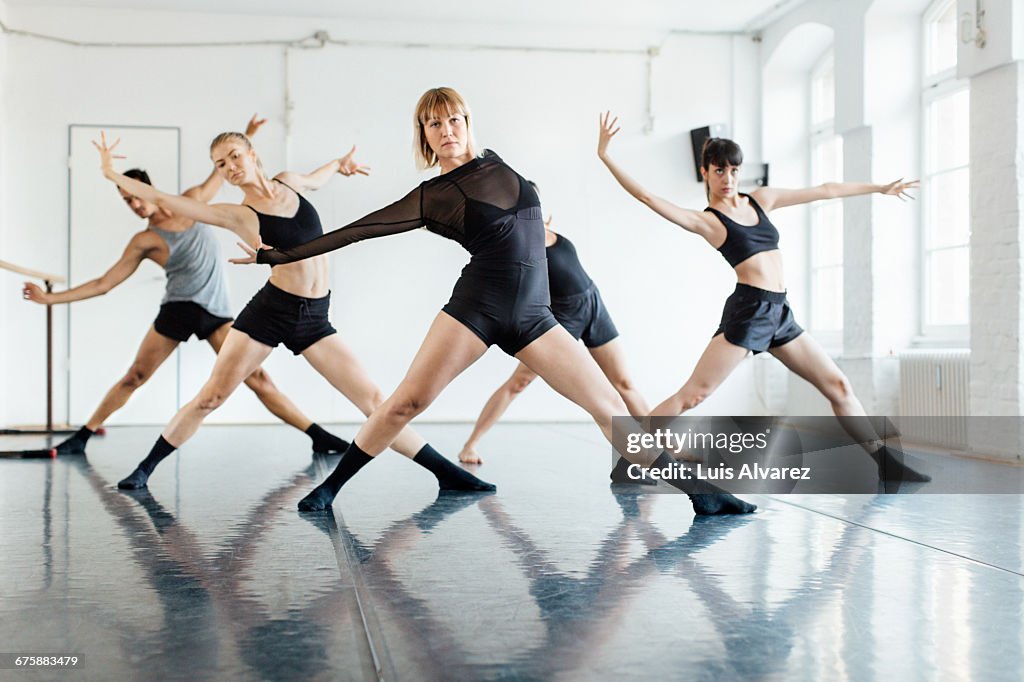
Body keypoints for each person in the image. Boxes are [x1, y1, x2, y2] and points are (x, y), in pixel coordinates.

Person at [235, 87, 755, 515]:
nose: (448, 130)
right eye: (435, 124)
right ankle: (328, 491)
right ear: (425, 136)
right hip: (476, 308)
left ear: (467, 121)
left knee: (609, 408)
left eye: (454, 119)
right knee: (405, 402)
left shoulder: (499, 162)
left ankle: (700, 495)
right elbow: (357, 231)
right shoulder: (431, 196)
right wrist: (276, 255)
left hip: (535, 315)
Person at [92, 126, 489, 494]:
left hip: (314, 316)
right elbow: (163, 199)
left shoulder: (289, 182)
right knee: (211, 396)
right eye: (220, 164)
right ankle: (144, 469)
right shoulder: (237, 214)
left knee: (373, 399)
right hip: (270, 311)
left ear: (251, 153)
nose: (230, 168)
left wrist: (340, 165)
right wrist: (111, 172)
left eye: (234, 156)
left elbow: (319, 176)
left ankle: (446, 475)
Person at [596, 111, 929, 483]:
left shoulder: (761, 201)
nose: (728, 178)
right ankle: (630, 460)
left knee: (837, 386)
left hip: (780, 312)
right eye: (719, 170)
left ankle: (886, 464)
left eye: (734, 170)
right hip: (749, 310)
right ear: (705, 172)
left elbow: (825, 190)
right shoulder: (709, 221)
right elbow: (647, 197)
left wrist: (879, 188)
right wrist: (607, 156)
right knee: (692, 396)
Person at [24, 115, 349, 457]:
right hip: (178, 308)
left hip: (216, 310)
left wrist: (246, 138)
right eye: (127, 201)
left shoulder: (195, 201)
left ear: (146, 189)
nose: (135, 204)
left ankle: (317, 435)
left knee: (258, 379)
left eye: (135, 196)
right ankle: (82, 436)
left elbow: (224, 173)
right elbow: (105, 283)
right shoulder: (145, 239)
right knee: (135, 375)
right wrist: (50, 299)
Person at [458, 181, 649, 466]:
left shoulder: (546, 230)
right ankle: (470, 446)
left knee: (623, 382)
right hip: (563, 316)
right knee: (518, 383)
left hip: (593, 304)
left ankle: (665, 447)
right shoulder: (519, 245)